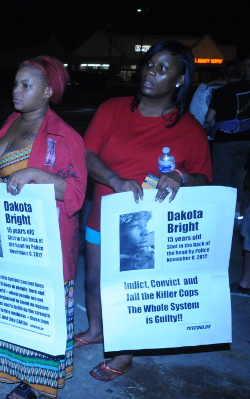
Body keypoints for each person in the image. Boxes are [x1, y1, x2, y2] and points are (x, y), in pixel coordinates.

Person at [78, 40, 212, 381]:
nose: (151, 72)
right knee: (93, 282)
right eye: (150, 64)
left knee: (131, 292)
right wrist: (114, 179)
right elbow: (87, 155)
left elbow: (206, 181)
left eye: (163, 67)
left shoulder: (191, 130)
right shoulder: (113, 108)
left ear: (181, 79)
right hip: (103, 215)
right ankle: (96, 330)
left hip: (148, 230)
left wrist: (181, 176)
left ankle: (124, 354)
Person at [0, 56, 87, 399]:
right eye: (15, 83)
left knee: (39, 309)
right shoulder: (11, 121)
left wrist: (38, 174)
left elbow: (76, 193)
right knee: (10, 303)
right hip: (4, 234)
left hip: (42, 241)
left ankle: (36, 382)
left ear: (48, 92)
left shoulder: (63, 137)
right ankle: (10, 368)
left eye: (27, 85)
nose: (16, 90)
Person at [204, 60, 250, 224]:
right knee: (237, 176)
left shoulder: (222, 92)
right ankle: (237, 214)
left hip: (225, 141)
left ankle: (223, 216)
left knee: (222, 178)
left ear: (226, 75)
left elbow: (209, 118)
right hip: (245, 140)